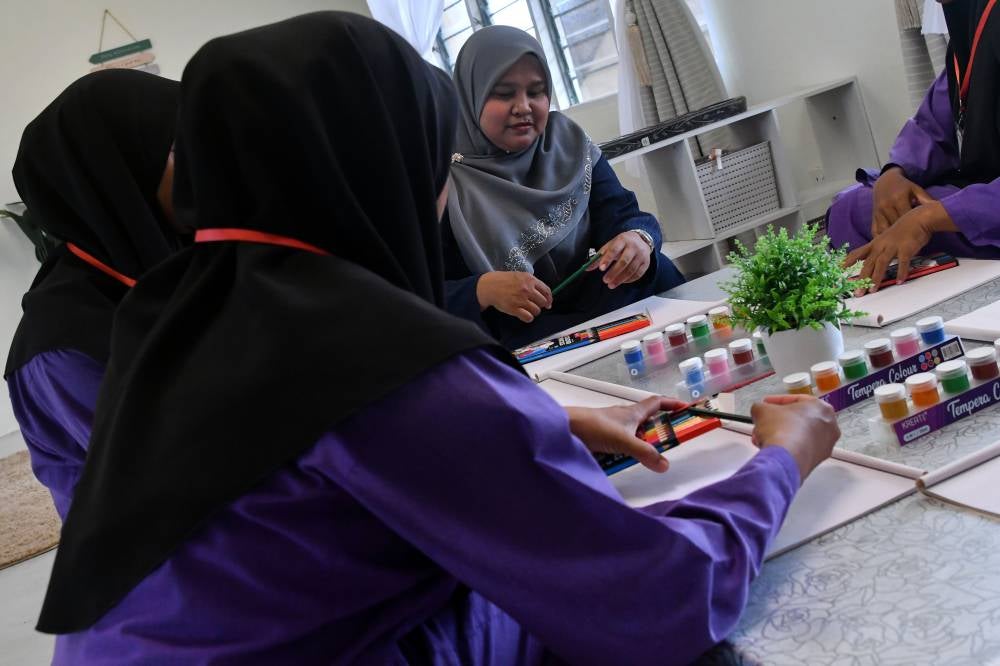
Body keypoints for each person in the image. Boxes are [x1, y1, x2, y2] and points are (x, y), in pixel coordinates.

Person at [38, 14, 838, 665]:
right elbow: (662, 598)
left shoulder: (177, 309)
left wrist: (534, 430)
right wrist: (781, 458)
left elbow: (297, 485)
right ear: (388, 164)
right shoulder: (370, 352)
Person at [5, 70, 182, 520]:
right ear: (121, 178)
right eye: (181, 150)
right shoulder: (63, 347)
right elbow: (188, 482)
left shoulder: (180, 267)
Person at [443, 26, 685, 349]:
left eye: (537, 91)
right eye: (503, 93)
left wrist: (638, 240)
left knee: (658, 273)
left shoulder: (566, 142)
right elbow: (425, 294)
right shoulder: (446, 184)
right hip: (522, 335)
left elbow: (623, 214)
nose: (523, 107)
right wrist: (483, 289)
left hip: (600, 305)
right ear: (470, 96)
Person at [829, 0, 1000, 291]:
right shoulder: (970, 24)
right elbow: (934, 120)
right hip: (984, 192)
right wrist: (896, 173)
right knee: (854, 205)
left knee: (910, 219)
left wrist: (930, 217)